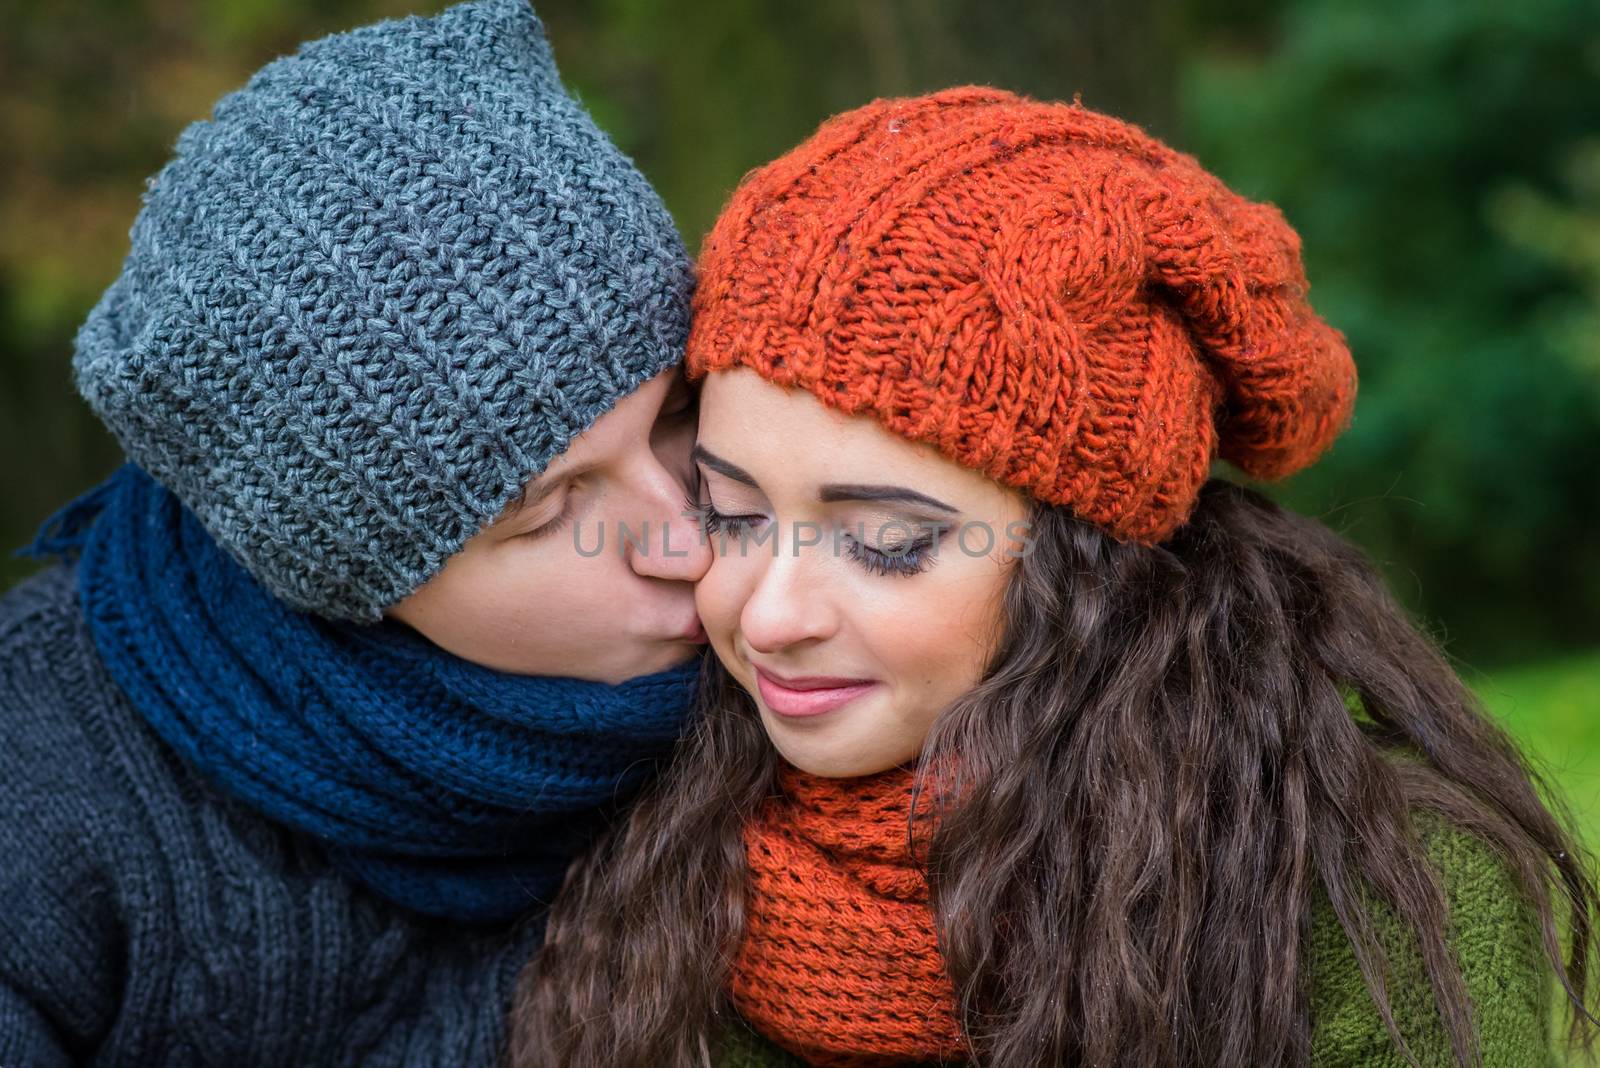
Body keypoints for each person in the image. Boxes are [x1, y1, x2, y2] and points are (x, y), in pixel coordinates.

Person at [511, 87, 1600, 1067]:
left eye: (888, 542)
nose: (771, 614)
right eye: (732, 515)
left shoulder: (1374, 892)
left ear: (1092, 570)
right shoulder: (648, 850)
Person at [0, 1, 710, 1064]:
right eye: (556, 507)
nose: (690, 544)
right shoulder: (41, 781)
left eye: (676, 426)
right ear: (344, 577)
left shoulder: (811, 661)